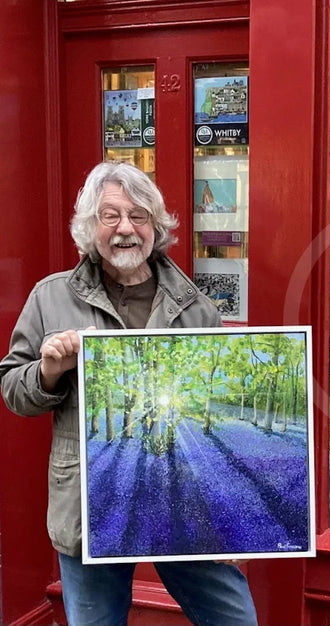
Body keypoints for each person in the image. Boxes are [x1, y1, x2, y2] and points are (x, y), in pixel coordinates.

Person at [0, 162, 257, 626]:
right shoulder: (50, 297)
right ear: (89, 226)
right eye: (110, 215)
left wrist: (231, 522)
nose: (125, 229)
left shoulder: (195, 307)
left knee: (235, 619)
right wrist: (49, 372)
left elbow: (221, 420)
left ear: (155, 227)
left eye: (139, 216)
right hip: (90, 506)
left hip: (183, 502)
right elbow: (13, 390)